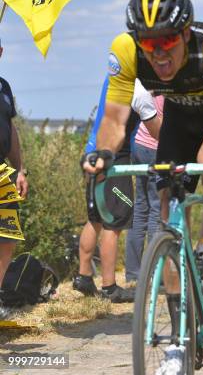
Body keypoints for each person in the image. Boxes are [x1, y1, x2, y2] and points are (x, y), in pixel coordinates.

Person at [83, 0, 203, 367]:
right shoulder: (125, 50)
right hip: (180, 118)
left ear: (185, 33)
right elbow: (114, 121)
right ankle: (178, 341)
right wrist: (102, 154)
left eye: (166, 41)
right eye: (149, 44)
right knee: (167, 218)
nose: (159, 52)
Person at [73, 78, 160, 303]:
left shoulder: (114, 76)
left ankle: (83, 276)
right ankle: (109, 287)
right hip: (115, 158)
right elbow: (156, 130)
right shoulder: (138, 89)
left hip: (93, 151)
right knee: (114, 222)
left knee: (95, 219)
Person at [0, 44, 28, 319]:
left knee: (7, 239)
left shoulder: (3, 86)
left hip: (2, 173)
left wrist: (20, 169)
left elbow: (10, 128)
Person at [124, 95, 164, 284]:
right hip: (157, 148)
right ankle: (155, 270)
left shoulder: (148, 81)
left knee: (140, 209)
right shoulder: (171, 84)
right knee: (157, 209)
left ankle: (133, 272)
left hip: (139, 145)